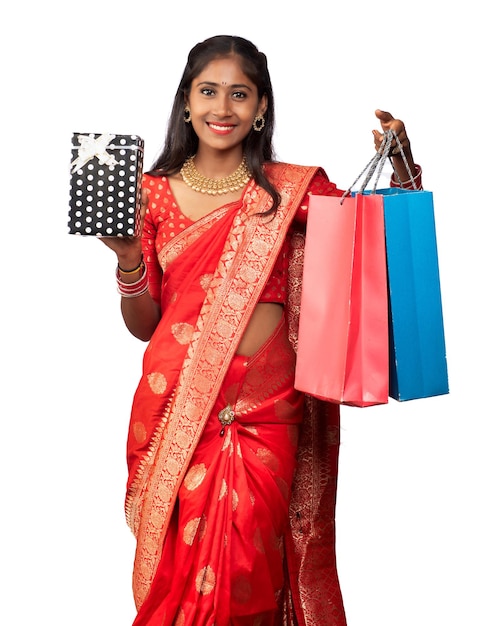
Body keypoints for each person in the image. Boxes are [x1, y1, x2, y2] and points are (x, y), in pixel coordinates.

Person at [101, 35, 422, 626]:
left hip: (267, 410)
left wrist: (400, 169)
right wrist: (126, 257)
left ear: (262, 108)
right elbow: (144, 325)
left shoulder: (291, 188)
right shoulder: (149, 194)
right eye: (208, 92)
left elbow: (375, 248)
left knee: (249, 565)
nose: (223, 107)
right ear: (186, 102)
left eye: (240, 94)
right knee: (180, 571)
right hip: (179, 409)